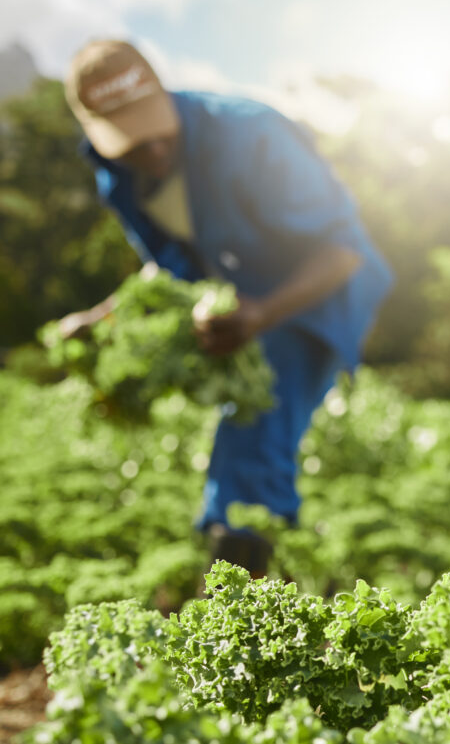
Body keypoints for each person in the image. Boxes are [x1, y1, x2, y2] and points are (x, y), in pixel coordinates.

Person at [61, 40, 393, 575]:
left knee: (253, 435)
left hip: (315, 291)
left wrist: (263, 313)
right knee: (244, 440)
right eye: (131, 144)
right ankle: (257, 597)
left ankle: (237, 621)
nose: (152, 154)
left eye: (158, 134)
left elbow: (342, 249)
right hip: (238, 298)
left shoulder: (252, 133)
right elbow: (169, 267)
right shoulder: (116, 174)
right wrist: (102, 318)